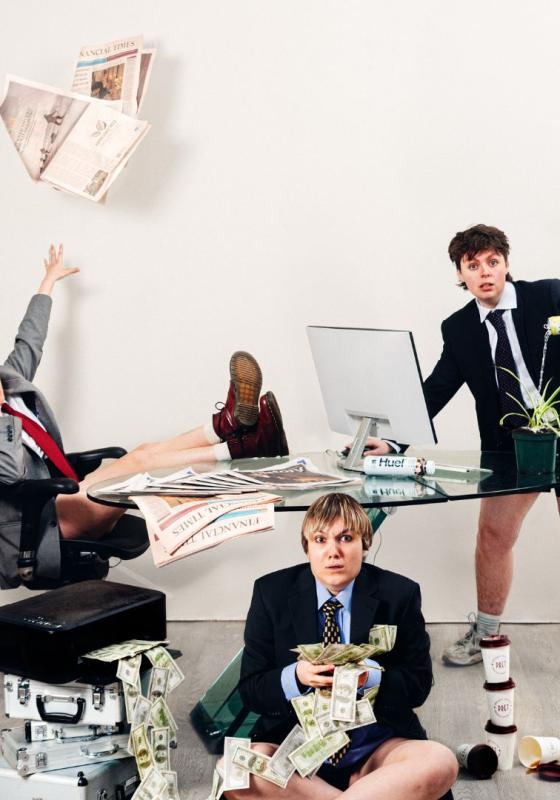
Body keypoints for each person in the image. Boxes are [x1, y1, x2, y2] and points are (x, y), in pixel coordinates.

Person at [0, 244, 288, 585]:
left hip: (61, 498)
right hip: (38, 532)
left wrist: (47, 282)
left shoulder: (11, 379)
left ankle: (230, 429)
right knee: (140, 466)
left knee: (143, 452)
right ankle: (245, 443)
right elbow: (10, 474)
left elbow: (29, 340)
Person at [363, 224, 560, 666]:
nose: (485, 272)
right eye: (473, 266)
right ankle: (487, 634)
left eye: (493, 262)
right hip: (509, 446)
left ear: (506, 264)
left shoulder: (550, 297)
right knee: (493, 536)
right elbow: (436, 389)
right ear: (461, 274)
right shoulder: (459, 329)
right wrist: (392, 442)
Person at [223, 493, 457, 800]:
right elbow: (251, 690)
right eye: (320, 539)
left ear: (364, 543)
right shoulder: (271, 593)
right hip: (296, 753)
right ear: (307, 548)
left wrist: (373, 677)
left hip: (377, 751)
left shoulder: (399, 594)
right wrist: (297, 677)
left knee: (441, 762)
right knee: (234, 771)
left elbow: (418, 686)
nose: (333, 551)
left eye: (345, 538)